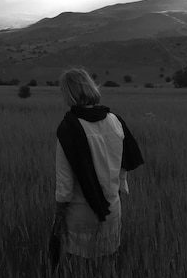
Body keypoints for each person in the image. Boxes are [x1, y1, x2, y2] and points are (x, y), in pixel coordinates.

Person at [50, 67, 145, 264]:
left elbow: (65, 184)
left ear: (70, 94)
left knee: (78, 272)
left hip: (80, 214)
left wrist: (57, 220)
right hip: (112, 209)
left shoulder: (68, 128)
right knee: (106, 268)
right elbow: (123, 168)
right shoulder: (115, 120)